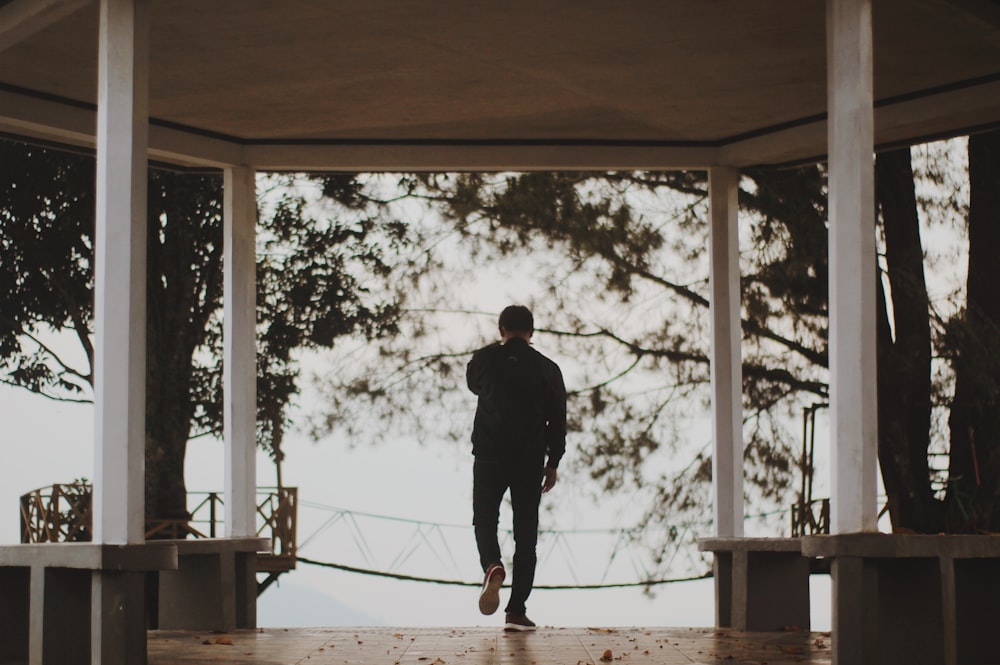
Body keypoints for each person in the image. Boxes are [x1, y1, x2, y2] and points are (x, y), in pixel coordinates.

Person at [466, 305, 567, 632]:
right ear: (532, 332)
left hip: (489, 455)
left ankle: (492, 565)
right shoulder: (547, 369)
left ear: (501, 330)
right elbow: (558, 420)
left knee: (484, 519)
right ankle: (516, 611)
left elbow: (474, 385)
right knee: (526, 534)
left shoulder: (482, 361)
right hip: (528, 459)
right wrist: (553, 463)